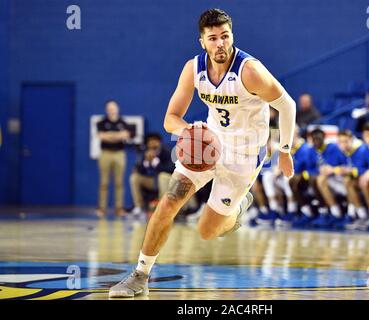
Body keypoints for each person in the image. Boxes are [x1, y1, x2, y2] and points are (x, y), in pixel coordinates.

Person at [109, 8, 296, 298]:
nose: (220, 43)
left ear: (232, 36)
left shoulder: (250, 71)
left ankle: (238, 207)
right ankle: (139, 275)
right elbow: (171, 117)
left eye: (225, 36)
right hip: (208, 145)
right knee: (168, 202)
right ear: (202, 42)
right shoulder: (193, 69)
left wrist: (284, 149)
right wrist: (189, 133)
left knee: (207, 231)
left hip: (244, 155)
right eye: (213, 38)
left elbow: (287, 106)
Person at [317, 129, 369, 230]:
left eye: (346, 141)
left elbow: (365, 169)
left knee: (347, 181)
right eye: (340, 142)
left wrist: (350, 171)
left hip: (363, 181)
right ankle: (336, 214)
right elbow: (337, 167)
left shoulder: (361, 149)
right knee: (321, 179)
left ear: (351, 140)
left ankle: (361, 216)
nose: (343, 144)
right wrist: (329, 169)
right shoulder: (340, 151)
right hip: (348, 181)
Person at [96, 100, 131, 218]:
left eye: (113, 108)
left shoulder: (123, 122)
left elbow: (125, 135)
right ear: (106, 110)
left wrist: (110, 135)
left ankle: (119, 208)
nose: (112, 110)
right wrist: (117, 135)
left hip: (119, 154)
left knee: (119, 182)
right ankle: (102, 208)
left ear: (117, 109)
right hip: (105, 153)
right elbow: (101, 136)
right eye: (109, 108)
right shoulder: (102, 122)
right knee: (104, 182)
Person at [130, 133, 175, 215]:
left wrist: (156, 162)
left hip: (168, 180)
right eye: (150, 141)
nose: (153, 143)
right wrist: (146, 162)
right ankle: (139, 207)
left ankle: (163, 207)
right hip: (152, 181)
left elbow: (170, 168)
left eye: (155, 141)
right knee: (135, 177)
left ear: (159, 142)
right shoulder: (145, 152)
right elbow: (138, 169)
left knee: (162, 176)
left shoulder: (167, 151)